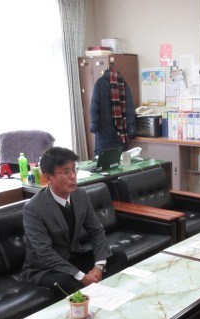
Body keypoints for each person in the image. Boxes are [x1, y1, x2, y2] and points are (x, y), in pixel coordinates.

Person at [21, 146, 128, 295]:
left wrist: (98, 267)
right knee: (67, 282)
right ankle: (98, 299)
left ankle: (107, 296)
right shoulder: (33, 208)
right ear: (48, 177)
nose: (73, 176)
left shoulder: (80, 195)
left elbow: (96, 231)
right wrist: (82, 276)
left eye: (74, 169)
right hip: (45, 268)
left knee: (118, 256)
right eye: (66, 172)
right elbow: (45, 253)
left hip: (73, 258)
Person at [90, 67, 137, 156]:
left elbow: (94, 106)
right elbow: (130, 108)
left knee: (103, 161)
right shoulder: (123, 84)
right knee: (120, 160)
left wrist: (94, 125)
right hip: (122, 134)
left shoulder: (100, 82)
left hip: (104, 132)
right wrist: (131, 129)